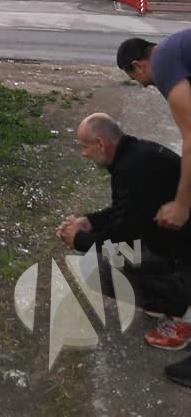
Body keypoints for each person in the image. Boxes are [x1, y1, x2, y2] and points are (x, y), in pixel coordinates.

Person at [56, 113, 191, 340]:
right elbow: (129, 212)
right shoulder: (138, 155)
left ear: (101, 144)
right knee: (106, 254)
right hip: (177, 245)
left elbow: (123, 237)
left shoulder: (131, 169)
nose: (83, 153)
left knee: (95, 267)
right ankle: (170, 297)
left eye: (85, 146)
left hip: (182, 256)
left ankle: (184, 314)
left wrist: (79, 240)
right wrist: (90, 221)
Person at [117, 30, 191, 385]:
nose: (146, 86)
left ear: (138, 65)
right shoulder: (177, 48)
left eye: (137, 79)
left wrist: (181, 203)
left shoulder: (163, 62)